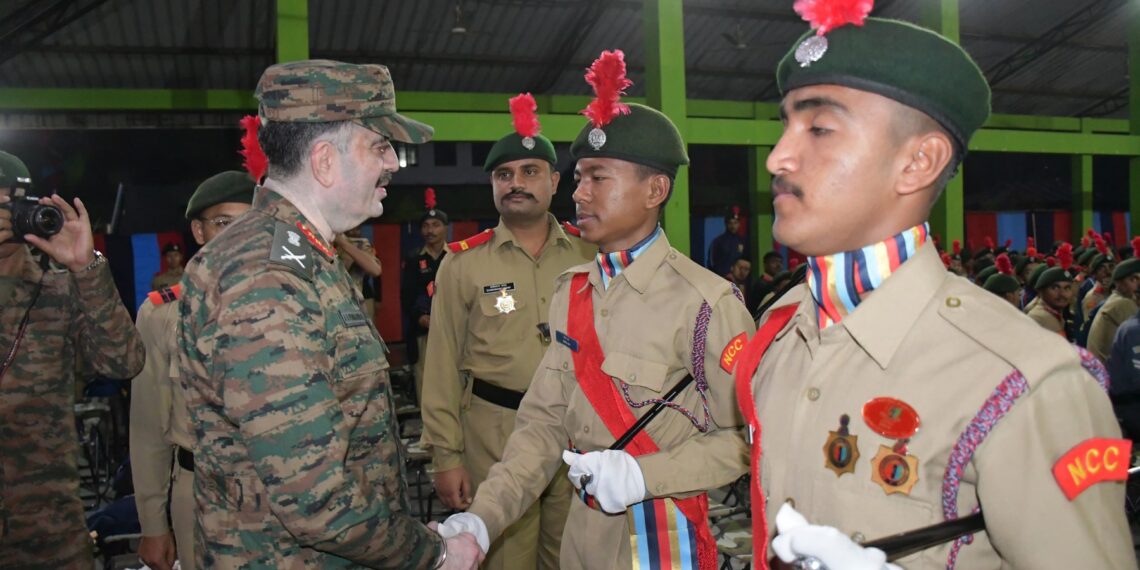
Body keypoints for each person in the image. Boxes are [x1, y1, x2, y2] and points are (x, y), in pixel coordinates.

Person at [739, 9, 1132, 569]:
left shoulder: (1022, 382)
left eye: (819, 128)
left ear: (918, 162)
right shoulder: (781, 334)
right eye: (785, 126)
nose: (778, 157)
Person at [435, 52, 755, 570]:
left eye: (598, 178)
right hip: (580, 539)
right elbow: (541, 423)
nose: (579, 193)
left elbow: (745, 441)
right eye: (579, 177)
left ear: (655, 190)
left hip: (658, 534)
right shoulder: (574, 290)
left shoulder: (706, 304)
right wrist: (482, 519)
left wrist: (641, 476)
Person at [176, 60, 482, 569]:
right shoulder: (266, 277)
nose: (393, 164)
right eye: (380, 146)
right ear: (323, 160)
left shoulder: (302, 255)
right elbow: (315, 498)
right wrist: (434, 554)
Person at [420, 93, 591, 570]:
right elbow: (441, 366)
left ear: (555, 181)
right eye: (503, 175)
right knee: (503, 558)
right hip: (495, 433)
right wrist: (446, 456)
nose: (516, 183)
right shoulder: (463, 262)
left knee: (572, 553)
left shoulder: (588, 254)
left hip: (576, 431)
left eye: (530, 171)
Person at [0, 150, 145, 568]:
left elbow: (126, 362)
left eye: (7, 205)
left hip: (49, 528)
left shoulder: (62, 290)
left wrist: (86, 268)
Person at [130, 170, 255, 570]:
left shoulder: (296, 303)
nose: (237, 235)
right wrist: (153, 524)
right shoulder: (163, 313)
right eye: (223, 223)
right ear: (199, 232)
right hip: (197, 493)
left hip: (282, 491)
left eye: (251, 222)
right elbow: (148, 427)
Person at [403, 188, 449, 403]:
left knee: (453, 379)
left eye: (436, 225)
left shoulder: (456, 257)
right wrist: (420, 317)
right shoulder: (413, 259)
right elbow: (407, 295)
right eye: (426, 226)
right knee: (425, 381)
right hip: (424, 331)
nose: (430, 230)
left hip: (453, 329)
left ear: (445, 228)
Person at [1087, 239, 1140, 362]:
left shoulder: (1117, 299)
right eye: (1133, 280)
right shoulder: (1122, 304)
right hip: (1108, 376)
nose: (1139, 284)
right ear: (1118, 283)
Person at [1026, 247, 1077, 339]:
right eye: (1055, 288)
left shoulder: (1053, 315)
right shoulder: (1039, 317)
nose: (1062, 294)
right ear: (1041, 291)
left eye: (1067, 288)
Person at [336, 225, 383, 318]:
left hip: (355, 302)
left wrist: (343, 243)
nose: (354, 231)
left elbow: (376, 271)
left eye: (357, 229)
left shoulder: (360, 244)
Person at [706, 205, 747, 277]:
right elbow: (711, 263)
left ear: (739, 224)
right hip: (721, 278)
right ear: (726, 224)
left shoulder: (742, 241)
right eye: (730, 223)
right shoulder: (718, 241)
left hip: (738, 280)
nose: (733, 226)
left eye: (735, 223)